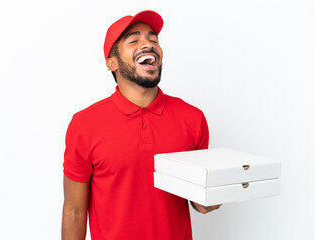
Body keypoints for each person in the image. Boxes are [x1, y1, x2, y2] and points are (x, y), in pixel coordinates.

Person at [62, 10, 220, 240]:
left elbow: (198, 200)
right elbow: (74, 210)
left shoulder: (192, 119)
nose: (148, 44)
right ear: (112, 62)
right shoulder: (84, 124)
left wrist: (212, 197)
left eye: (153, 39)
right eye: (134, 40)